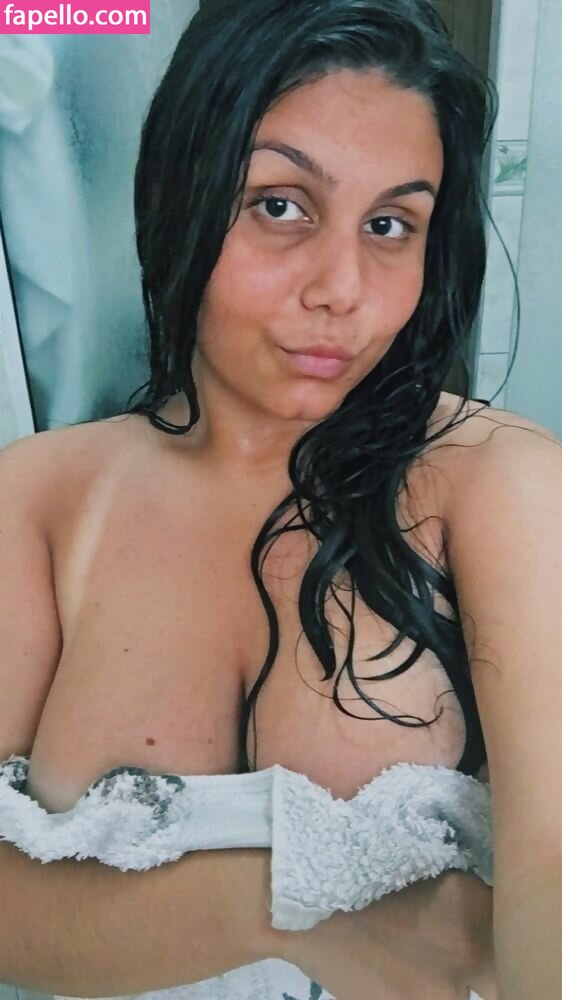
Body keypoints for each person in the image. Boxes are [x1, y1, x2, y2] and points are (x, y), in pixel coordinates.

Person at [1, 0, 561, 997]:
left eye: (390, 224)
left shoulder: (492, 480)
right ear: (182, 191)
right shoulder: (40, 495)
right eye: (280, 205)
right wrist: (284, 909)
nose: (342, 288)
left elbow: (552, 861)